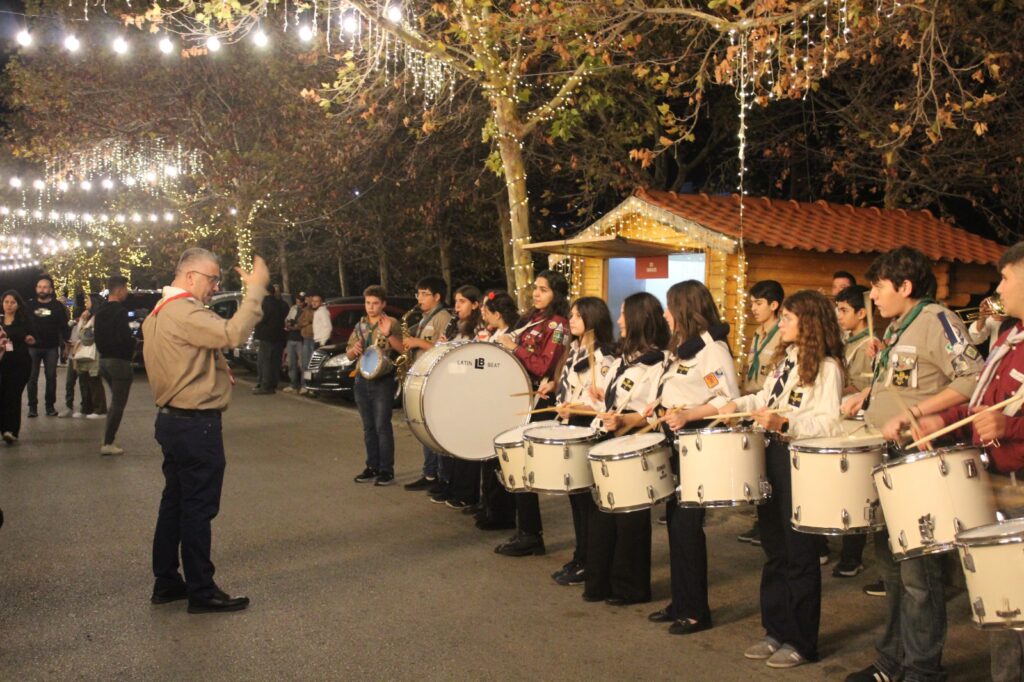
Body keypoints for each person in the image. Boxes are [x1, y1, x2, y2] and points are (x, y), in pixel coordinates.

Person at [841, 246, 983, 682]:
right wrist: (867, 395)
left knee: (919, 576)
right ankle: (892, 660)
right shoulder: (899, 326)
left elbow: (972, 376)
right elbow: (905, 381)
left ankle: (922, 669)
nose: (873, 296)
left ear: (905, 286)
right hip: (890, 459)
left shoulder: (938, 320)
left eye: (878, 286)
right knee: (892, 569)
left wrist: (918, 414)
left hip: (919, 461)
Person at [715, 290, 844, 669]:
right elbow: (764, 400)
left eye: (788, 318)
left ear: (809, 322)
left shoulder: (828, 368)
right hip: (771, 456)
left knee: (799, 552)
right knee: (774, 548)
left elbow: (829, 422)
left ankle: (802, 641)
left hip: (799, 462)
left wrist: (786, 423)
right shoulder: (787, 359)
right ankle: (776, 629)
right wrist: (735, 406)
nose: (782, 324)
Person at [913, 241, 1024, 682]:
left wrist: (1010, 427)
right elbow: (982, 407)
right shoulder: (1010, 339)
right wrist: (942, 420)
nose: (998, 290)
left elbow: (1004, 418)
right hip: (999, 485)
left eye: (1005, 279)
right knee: (1004, 610)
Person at [143, 247, 270, 614]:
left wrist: (214, 366)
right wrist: (256, 291)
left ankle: (167, 581)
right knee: (198, 508)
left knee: (174, 503)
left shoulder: (159, 311)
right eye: (212, 279)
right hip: (195, 424)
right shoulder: (185, 311)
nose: (215, 287)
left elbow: (183, 357)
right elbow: (232, 333)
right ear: (190, 276)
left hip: (171, 419)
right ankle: (201, 590)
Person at [647, 281, 739, 636]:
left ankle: (696, 610)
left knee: (687, 529)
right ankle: (680, 600)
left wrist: (688, 415)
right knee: (675, 525)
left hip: (697, 445)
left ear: (685, 309)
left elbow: (726, 399)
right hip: (675, 441)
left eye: (670, 307)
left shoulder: (711, 349)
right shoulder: (683, 348)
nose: (665, 314)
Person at [584, 292, 669, 604]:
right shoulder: (625, 357)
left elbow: (655, 409)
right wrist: (600, 402)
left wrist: (625, 420)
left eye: (623, 314)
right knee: (603, 512)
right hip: (611, 437)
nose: (619, 320)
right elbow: (616, 399)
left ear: (638, 318)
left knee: (630, 518)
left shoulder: (658, 362)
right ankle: (600, 582)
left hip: (635, 442)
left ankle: (631, 587)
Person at [493, 271, 571, 557]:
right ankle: (524, 529)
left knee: (524, 465)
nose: (536, 293)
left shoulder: (558, 324)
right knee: (513, 464)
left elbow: (543, 366)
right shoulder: (532, 319)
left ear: (556, 294)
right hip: (520, 397)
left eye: (544, 289)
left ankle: (531, 535)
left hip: (539, 401)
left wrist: (514, 347)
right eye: (536, 288)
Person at [545, 296, 616, 586]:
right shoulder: (574, 350)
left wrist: (575, 409)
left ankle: (590, 561)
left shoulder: (603, 356)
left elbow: (603, 402)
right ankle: (580, 555)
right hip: (571, 425)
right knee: (575, 498)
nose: (571, 320)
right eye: (571, 315)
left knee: (586, 500)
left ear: (592, 318)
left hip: (588, 429)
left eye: (576, 315)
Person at [831, 284, 876, 579]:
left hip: (860, 422)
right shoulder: (846, 342)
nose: (839, 315)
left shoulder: (871, 343)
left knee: (856, 488)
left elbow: (868, 386)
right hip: (842, 420)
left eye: (844, 310)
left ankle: (852, 555)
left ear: (862, 313)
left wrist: (837, 386)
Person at [738, 280, 785, 546]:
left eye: (759, 303)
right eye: (752, 303)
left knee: (772, 470)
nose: (753, 308)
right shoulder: (758, 333)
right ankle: (762, 522)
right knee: (758, 468)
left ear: (774, 305)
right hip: (753, 404)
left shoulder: (782, 335)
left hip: (770, 408)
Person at [432, 285, 485, 508]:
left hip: (469, 393)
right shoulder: (456, 326)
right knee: (452, 442)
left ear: (475, 305)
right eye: (456, 301)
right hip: (454, 391)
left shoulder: (479, 329)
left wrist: (451, 356)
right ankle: (452, 484)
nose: (457, 306)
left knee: (466, 443)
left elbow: (474, 362)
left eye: (462, 301)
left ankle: (466, 492)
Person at [474, 291, 521, 531]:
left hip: (504, 404)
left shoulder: (512, 337)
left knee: (498, 461)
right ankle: (488, 505)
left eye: (487, 310)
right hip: (490, 402)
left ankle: (501, 512)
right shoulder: (495, 334)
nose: (484, 314)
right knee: (487, 458)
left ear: (498, 314)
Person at [348, 285, 403, 486]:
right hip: (362, 379)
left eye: (375, 303)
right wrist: (354, 350)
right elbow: (349, 354)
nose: (371, 307)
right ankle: (372, 466)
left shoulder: (391, 323)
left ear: (383, 304)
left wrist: (389, 335)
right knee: (368, 427)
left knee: (382, 426)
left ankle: (386, 470)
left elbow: (403, 349)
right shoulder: (360, 325)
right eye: (368, 303)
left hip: (382, 380)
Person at [402, 277, 453, 491]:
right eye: (418, 294)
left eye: (424, 294)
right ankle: (429, 472)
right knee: (424, 428)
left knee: (434, 431)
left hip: (436, 380)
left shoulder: (443, 318)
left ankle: (442, 476)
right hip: (422, 378)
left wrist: (417, 342)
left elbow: (446, 350)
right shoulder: (424, 318)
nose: (419, 298)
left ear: (437, 297)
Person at [95, 276, 136, 456]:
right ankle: (108, 442)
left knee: (114, 402)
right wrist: (133, 344)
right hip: (120, 362)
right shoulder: (121, 312)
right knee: (118, 403)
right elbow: (124, 337)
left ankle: (107, 437)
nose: (126, 292)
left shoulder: (100, 311)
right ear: (119, 290)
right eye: (125, 288)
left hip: (103, 360)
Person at [26, 274, 70, 417]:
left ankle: (50, 406)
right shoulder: (29, 305)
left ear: (51, 290)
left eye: (45, 287)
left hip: (51, 347)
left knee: (51, 377)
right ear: (36, 289)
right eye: (39, 287)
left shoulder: (57, 306)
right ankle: (32, 408)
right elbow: (23, 324)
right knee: (31, 378)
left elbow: (64, 327)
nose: (42, 289)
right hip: (32, 348)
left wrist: (67, 345)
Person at [0, 291, 36, 443]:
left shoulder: (24, 321)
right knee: (2, 395)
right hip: (2, 363)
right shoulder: (0, 322)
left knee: (13, 396)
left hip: (20, 363)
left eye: (12, 302)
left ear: (18, 305)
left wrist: (30, 338)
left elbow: (34, 337)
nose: (9, 305)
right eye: (6, 302)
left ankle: (11, 430)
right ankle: (4, 428)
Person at [71, 294, 107, 420]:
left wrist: (83, 323)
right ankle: (86, 408)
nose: (86, 302)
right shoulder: (88, 317)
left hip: (93, 354)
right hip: (85, 355)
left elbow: (87, 338)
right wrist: (83, 320)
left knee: (94, 381)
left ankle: (99, 409)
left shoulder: (98, 318)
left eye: (88, 300)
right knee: (84, 381)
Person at [253, 284, 289, 395]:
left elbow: (260, 318)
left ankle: (265, 385)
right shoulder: (281, 304)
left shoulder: (264, 304)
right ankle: (273, 384)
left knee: (265, 361)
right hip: (279, 336)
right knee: (275, 361)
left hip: (266, 336)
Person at [282, 293, 306, 393]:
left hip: (301, 339)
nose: (299, 303)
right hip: (291, 338)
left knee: (302, 364)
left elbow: (303, 325)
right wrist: (288, 324)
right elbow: (287, 320)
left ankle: (304, 385)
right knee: (291, 363)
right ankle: (293, 384)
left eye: (301, 301)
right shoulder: (293, 308)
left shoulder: (306, 310)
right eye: (297, 301)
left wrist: (295, 326)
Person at [297, 294, 316, 394]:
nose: (307, 301)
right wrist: (307, 322)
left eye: (309, 299)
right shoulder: (305, 310)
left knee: (312, 364)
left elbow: (316, 322)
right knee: (305, 364)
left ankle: (312, 386)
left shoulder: (318, 310)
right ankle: (304, 385)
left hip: (314, 339)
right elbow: (300, 322)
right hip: (306, 338)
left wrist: (309, 322)